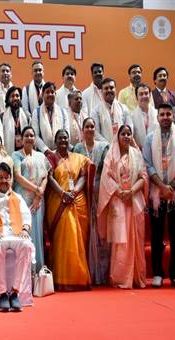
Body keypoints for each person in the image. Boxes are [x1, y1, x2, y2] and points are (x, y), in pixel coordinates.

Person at [143, 103, 175, 289]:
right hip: (157, 194)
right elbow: (147, 165)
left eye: (168, 114)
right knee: (156, 235)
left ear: (173, 116)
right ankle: (157, 273)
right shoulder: (149, 138)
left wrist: (170, 187)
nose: (165, 117)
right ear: (157, 118)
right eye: (162, 114)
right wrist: (162, 187)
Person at [97, 125, 147, 289]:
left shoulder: (136, 154)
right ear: (117, 137)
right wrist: (120, 193)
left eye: (129, 134)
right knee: (121, 241)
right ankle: (120, 277)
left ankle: (137, 277)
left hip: (134, 200)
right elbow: (106, 178)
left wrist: (131, 192)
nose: (126, 136)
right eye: (123, 134)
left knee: (136, 238)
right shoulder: (111, 155)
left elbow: (143, 177)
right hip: (118, 200)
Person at [0, 162, 34, 312]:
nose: (3, 181)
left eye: (6, 177)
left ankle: (15, 292)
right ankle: (3, 294)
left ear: (11, 179)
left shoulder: (18, 197)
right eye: (0, 178)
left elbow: (26, 215)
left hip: (16, 234)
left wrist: (25, 228)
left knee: (26, 246)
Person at [46, 129, 91, 291]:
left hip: (76, 199)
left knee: (77, 239)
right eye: (60, 138)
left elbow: (83, 175)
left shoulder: (77, 158)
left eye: (65, 138)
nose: (63, 141)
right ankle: (61, 278)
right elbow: (49, 178)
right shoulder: (51, 157)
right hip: (58, 201)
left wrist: (74, 192)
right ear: (55, 141)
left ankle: (78, 277)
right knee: (65, 235)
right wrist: (63, 194)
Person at [73, 117, 110, 285]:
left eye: (92, 126)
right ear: (82, 130)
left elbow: (107, 172)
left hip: (99, 194)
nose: (89, 129)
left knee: (101, 233)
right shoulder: (77, 148)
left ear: (95, 129)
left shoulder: (103, 147)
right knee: (85, 231)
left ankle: (101, 273)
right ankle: (86, 272)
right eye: (86, 126)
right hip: (83, 195)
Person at [12, 126, 50, 272]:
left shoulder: (41, 156)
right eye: (26, 135)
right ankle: (24, 272)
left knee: (37, 234)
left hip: (38, 201)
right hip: (22, 201)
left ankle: (37, 270)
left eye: (32, 135)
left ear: (35, 139)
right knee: (24, 233)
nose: (29, 138)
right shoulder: (16, 155)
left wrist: (39, 194)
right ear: (22, 139)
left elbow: (45, 176)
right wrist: (36, 190)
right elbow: (18, 177)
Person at [32, 81, 70, 154]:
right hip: (43, 153)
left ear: (55, 94)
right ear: (42, 94)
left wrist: (58, 150)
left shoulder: (63, 112)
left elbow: (67, 134)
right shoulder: (36, 112)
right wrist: (46, 150)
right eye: (47, 92)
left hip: (61, 152)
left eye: (52, 92)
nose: (50, 94)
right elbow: (35, 135)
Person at [91, 77, 132, 144]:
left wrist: (122, 142)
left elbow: (130, 127)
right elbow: (95, 133)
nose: (109, 90)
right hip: (105, 148)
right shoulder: (95, 111)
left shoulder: (124, 108)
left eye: (111, 88)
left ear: (115, 90)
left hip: (122, 146)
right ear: (101, 91)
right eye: (106, 88)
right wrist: (109, 146)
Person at [1, 86, 30, 154]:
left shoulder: (26, 115)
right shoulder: (2, 117)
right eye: (12, 96)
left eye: (17, 96)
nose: (15, 98)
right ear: (8, 99)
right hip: (9, 152)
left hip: (24, 151)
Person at [130, 83, 158, 148]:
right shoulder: (131, 116)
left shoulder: (157, 113)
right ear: (136, 97)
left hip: (156, 149)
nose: (144, 96)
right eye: (141, 94)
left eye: (146, 93)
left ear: (150, 95)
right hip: (138, 151)